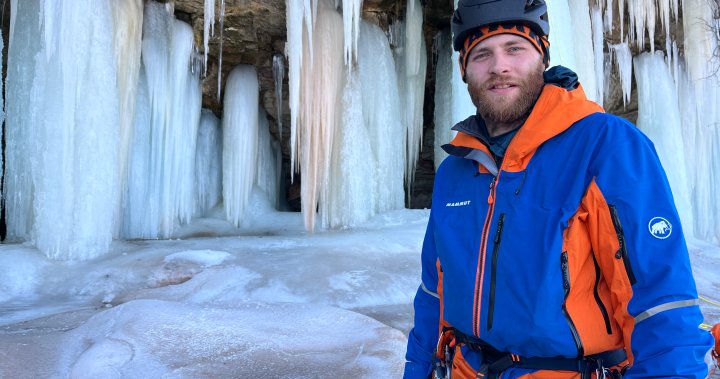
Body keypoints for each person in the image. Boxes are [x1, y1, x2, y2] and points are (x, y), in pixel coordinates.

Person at [403, 0, 714, 378]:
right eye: (481, 54)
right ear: (464, 70)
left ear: (543, 54)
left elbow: (660, 303)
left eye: (515, 48)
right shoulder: (456, 170)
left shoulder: (604, 145)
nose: (499, 66)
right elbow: (433, 296)